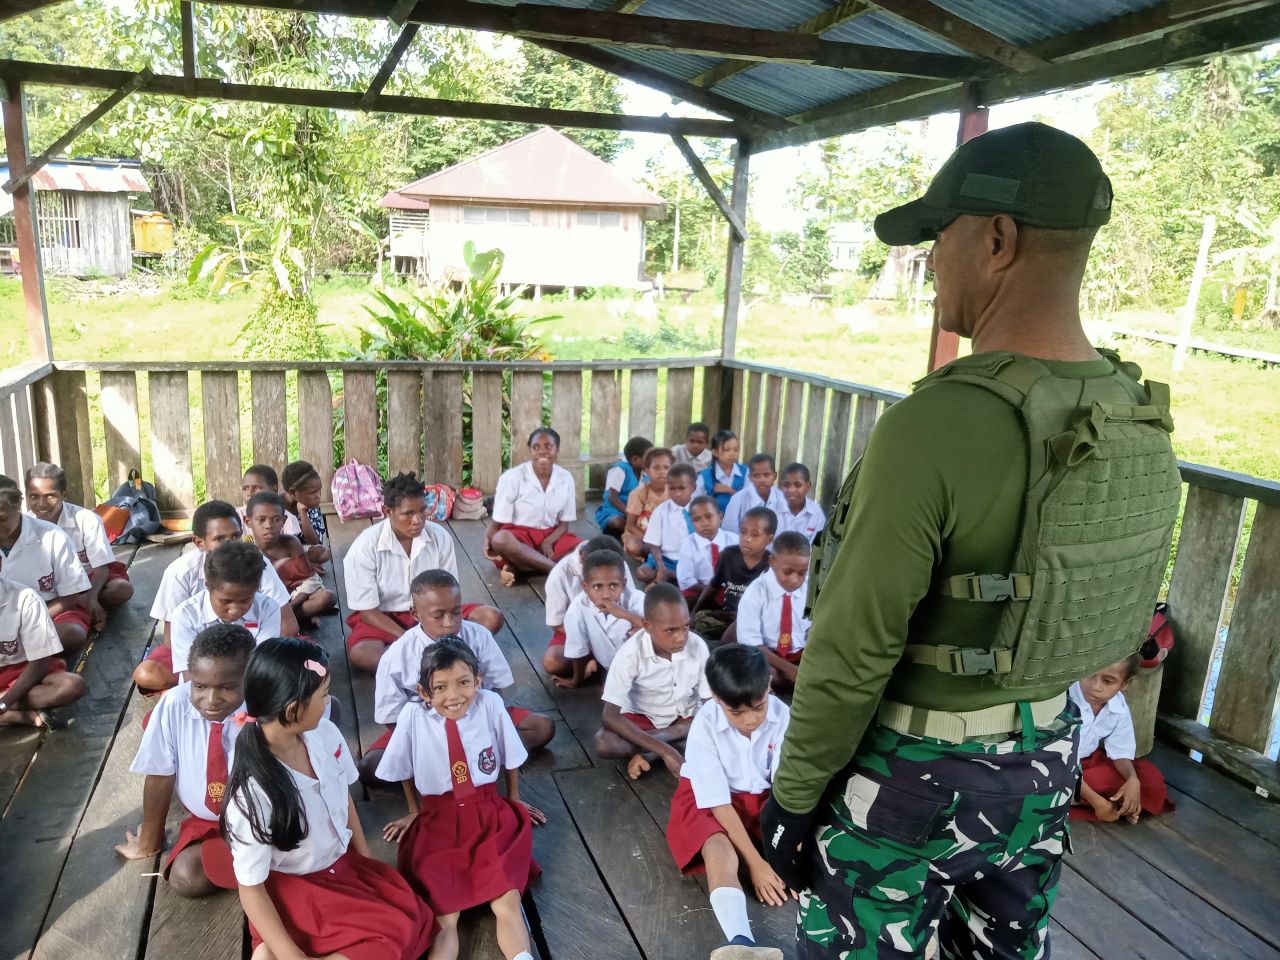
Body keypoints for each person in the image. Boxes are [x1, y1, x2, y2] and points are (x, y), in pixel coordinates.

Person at [759, 122, 1182, 960]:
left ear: (996, 239)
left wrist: (794, 800)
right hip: (1048, 759)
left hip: (913, 782)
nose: (930, 262)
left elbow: (852, 650)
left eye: (937, 235)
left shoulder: (937, 424)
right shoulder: (1132, 410)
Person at [222, 637, 434, 960]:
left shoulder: (324, 734)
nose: (329, 701)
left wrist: (365, 861)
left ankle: (270, 953)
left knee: (412, 923)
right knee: (388, 944)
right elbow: (251, 889)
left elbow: (344, 798)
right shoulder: (252, 795)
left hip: (341, 868)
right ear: (293, 710)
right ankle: (277, 950)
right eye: (323, 695)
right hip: (295, 891)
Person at [377, 638, 543, 960]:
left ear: (478, 680)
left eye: (464, 682)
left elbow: (510, 755)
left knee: (507, 901)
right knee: (444, 914)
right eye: (440, 687)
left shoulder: (490, 703)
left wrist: (514, 799)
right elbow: (402, 767)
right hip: (438, 822)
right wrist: (413, 810)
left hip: (489, 814)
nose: (453, 696)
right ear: (424, 691)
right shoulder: (413, 715)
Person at [366, 569, 554, 781]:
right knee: (372, 767)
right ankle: (465, 766)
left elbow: (495, 689)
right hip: (425, 730)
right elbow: (392, 717)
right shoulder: (396, 656)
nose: (449, 622)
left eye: (456, 612)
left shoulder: (479, 636)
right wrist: (430, 744)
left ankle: (474, 765)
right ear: (415, 613)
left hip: (478, 718)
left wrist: (481, 731)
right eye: (438, 615)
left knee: (541, 728)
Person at [666, 644, 791, 960]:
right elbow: (718, 803)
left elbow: (785, 790)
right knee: (718, 850)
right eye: (736, 712)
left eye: (759, 707)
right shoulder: (705, 724)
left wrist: (789, 854)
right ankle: (739, 940)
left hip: (767, 799)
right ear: (717, 699)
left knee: (805, 842)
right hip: (713, 801)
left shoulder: (783, 716)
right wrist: (757, 864)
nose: (750, 720)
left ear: (769, 685)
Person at [117, 623, 254, 897]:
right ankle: (257, 868)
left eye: (227, 687)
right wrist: (149, 841)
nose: (211, 700)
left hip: (262, 821)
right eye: (200, 686)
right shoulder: (175, 703)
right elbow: (160, 774)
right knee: (185, 878)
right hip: (211, 824)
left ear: (250, 678)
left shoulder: (265, 708)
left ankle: (263, 866)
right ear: (189, 676)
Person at [343, 472, 503, 675]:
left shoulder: (440, 537)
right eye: (408, 514)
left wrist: (437, 623)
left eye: (422, 510)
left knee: (491, 617)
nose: (418, 520)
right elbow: (368, 612)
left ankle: (424, 664)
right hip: (385, 619)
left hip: (435, 611)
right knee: (363, 654)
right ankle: (444, 663)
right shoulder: (364, 548)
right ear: (387, 511)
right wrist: (412, 639)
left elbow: (448, 591)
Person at [137, 500, 296, 693]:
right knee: (148, 674)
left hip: (251, 655)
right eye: (220, 538)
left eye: (236, 536)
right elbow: (172, 642)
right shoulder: (180, 574)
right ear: (199, 542)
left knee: (306, 666)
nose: (230, 544)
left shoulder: (255, 565)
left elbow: (288, 626)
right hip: (198, 654)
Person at [596, 582, 710, 778]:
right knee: (605, 743)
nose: (681, 637)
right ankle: (674, 744)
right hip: (643, 718)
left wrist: (705, 724)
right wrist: (667, 751)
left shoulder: (697, 645)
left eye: (685, 627)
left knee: (714, 721)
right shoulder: (630, 653)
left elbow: (709, 702)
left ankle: (651, 752)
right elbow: (610, 716)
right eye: (670, 631)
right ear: (647, 625)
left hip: (685, 717)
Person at [25, 461, 133, 630]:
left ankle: (83, 606)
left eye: (50, 496)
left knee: (121, 589)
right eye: (34, 496)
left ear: (64, 494)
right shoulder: (23, 526)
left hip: (89, 581)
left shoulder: (86, 519)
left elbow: (101, 567)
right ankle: (82, 611)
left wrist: (91, 597)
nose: (41, 503)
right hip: (54, 589)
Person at [1070, 655, 1173, 823]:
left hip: (1084, 764)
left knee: (1148, 779)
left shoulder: (1118, 705)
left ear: (1125, 684)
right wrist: (1098, 803)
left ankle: (1121, 804)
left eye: (1108, 681)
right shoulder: (1063, 699)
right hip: (1050, 765)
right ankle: (1099, 803)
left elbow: (1120, 752)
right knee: (1050, 783)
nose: (1095, 686)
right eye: (1089, 675)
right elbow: (1055, 761)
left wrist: (1132, 780)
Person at [0, 475, 90, 657]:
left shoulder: (52, 536)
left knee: (71, 633)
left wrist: (29, 624)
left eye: (2, 518)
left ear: (18, 504)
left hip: (51, 610)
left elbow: (70, 597)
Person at [485, 427, 583, 585]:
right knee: (500, 539)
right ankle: (555, 569)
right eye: (536, 447)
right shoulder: (512, 478)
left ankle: (520, 566)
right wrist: (489, 540)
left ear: (557, 449)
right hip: (519, 537)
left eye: (548, 446)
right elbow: (496, 525)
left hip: (551, 536)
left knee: (587, 548)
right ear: (530, 450)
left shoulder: (566, 478)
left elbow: (564, 525)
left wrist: (548, 542)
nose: (542, 451)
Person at [169, 541, 283, 677]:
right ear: (207, 585)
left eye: (245, 601)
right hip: (201, 686)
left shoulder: (268, 608)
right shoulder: (185, 615)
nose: (234, 610)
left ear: (257, 588)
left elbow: (261, 664)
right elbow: (191, 675)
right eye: (225, 601)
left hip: (251, 684)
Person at [0, 556, 88, 728]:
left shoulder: (25, 599)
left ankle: (8, 710)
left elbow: (39, 664)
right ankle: (18, 716)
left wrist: (5, 702)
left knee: (72, 686)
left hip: (23, 667)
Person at [542, 535, 633, 679]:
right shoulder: (560, 575)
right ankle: (598, 660)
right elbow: (556, 623)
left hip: (619, 624)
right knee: (553, 662)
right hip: (573, 630)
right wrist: (594, 642)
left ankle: (598, 662)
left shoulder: (615, 563)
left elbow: (631, 602)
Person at [244, 490, 336, 626]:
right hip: (267, 604)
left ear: (284, 520)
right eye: (261, 520)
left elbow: (311, 581)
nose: (268, 525)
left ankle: (286, 618)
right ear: (248, 521)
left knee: (327, 597)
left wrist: (290, 607)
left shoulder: (291, 543)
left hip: (294, 598)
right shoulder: (246, 552)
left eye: (276, 519)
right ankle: (293, 618)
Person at [556, 549, 645, 688]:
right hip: (612, 667)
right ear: (585, 587)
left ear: (624, 584)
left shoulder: (637, 599)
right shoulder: (578, 608)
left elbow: (657, 630)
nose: (606, 594)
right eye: (597, 587)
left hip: (645, 667)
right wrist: (576, 681)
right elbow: (578, 650)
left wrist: (624, 613)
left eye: (613, 586)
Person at [734, 532, 811, 689]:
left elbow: (815, 628)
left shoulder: (810, 589)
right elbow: (751, 644)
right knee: (766, 675)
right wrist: (788, 668)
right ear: (772, 561)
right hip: (767, 656)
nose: (795, 580)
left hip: (801, 654)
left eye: (802, 573)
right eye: (787, 572)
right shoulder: (755, 593)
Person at [691, 506, 775, 644]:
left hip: (753, 619)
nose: (747, 538)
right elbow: (713, 586)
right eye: (743, 532)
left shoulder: (771, 565)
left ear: (769, 539)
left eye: (755, 535)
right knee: (700, 619)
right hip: (729, 616)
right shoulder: (728, 555)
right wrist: (693, 613)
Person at [640, 462, 698, 585]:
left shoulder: (700, 509)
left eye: (682, 488)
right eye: (672, 488)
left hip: (694, 561)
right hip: (667, 560)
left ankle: (674, 578)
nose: (677, 493)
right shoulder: (660, 511)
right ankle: (673, 576)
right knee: (642, 573)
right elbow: (653, 543)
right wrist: (661, 566)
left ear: (693, 487)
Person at [676, 495, 739, 604]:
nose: (704, 523)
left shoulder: (735, 541)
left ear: (720, 517)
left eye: (709, 517)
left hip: (732, 591)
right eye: (697, 519)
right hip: (700, 592)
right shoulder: (688, 544)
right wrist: (713, 592)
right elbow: (685, 580)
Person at [622, 447, 673, 562]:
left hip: (664, 534)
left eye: (666, 467)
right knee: (633, 546)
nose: (662, 471)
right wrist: (651, 540)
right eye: (656, 467)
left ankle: (659, 554)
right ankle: (655, 555)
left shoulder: (673, 491)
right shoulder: (638, 493)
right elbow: (630, 525)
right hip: (641, 535)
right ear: (646, 470)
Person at [595, 435, 651, 535]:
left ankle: (632, 531)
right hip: (615, 510)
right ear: (635, 459)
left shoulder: (645, 474)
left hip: (635, 511)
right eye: (648, 459)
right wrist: (629, 514)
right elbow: (612, 497)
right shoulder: (620, 469)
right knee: (617, 522)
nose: (651, 462)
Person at [722, 455, 787, 536]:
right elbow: (729, 533)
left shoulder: (783, 499)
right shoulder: (738, 499)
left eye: (766, 475)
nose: (762, 480)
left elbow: (788, 530)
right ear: (750, 477)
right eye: (756, 475)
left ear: (775, 476)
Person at [280, 460, 331, 562]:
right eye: (313, 492)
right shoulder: (275, 506)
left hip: (300, 550)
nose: (318, 496)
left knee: (324, 554)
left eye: (319, 490)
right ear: (293, 492)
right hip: (278, 552)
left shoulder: (311, 504)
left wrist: (303, 513)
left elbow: (315, 543)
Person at [238, 464, 302, 540]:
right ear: (247, 521)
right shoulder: (237, 516)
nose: (249, 493)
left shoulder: (288, 519)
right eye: (245, 488)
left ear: (274, 490)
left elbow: (293, 544)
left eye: (256, 488)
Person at [694, 431, 745, 514]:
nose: (732, 454)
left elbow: (752, 502)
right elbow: (695, 503)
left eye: (735, 450)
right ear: (715, 452)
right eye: (727, 450)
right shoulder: (704, 476)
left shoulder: (746, 472)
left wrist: (730, 491)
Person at [775, 463, 825, 544]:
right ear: (781, 486)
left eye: (798, 485)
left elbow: (818, 546)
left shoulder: (816, 514)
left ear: (808, 486)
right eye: (786, 485)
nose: (791, 490)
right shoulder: (771, 509)